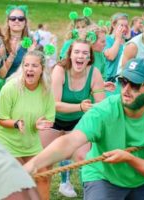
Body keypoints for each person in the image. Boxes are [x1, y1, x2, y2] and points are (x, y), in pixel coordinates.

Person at [25, 58, 144, 200]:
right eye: (123, 81)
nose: (126, 89)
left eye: (135, 85)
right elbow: (70, 141)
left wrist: (129, 158)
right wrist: (33, 165)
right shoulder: (103, 111)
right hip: (103, 177)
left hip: (143, 180)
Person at [0, 50, 55, 200]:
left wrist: (39, 124)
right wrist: (16, 123)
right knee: (16, 179)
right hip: (5, 139)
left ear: (42, 69)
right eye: (26, 65)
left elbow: (50, 119)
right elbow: (1, 119)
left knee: (43, 176)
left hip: (30, 141)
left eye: (34, 66)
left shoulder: (46, 91)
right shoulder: (11, 88)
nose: (29, 69)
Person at [52, 34, 105, 197]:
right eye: (77, 52)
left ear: (89, 58)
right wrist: (80, 106)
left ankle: (88, 189)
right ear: (70, 54)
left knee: (83, 156)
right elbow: (55, 104)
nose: (80, 56)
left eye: (85, 53)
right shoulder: (59, 70)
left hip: (77, 119)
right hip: (53, 119)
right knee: (44, 162)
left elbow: (101, 104)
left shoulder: (94, 73)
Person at [0, 5, 33, 80]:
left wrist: (31, 55)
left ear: (25, 22)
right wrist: (12, 55)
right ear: (8, 22)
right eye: (13, 18)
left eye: (21, 18)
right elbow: (2, 75)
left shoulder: (30, 43)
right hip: (5, 86)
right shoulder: (0, 42)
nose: (17, 21)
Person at [104, 13, 129, 83]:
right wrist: (118, 39)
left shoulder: (128, 43)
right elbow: (111, 56)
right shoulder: (106, 39)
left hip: (122, 80)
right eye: (121, 25)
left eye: (126, 26)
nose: (124, 28)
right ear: (113, 25)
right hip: (109, 80)